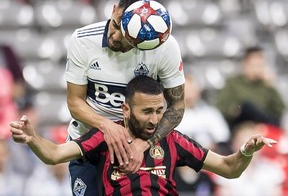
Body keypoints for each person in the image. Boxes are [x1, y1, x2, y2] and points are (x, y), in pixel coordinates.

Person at [11, 76, 276, 196]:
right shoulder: (108, 136)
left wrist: (245, 152)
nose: (154, 119)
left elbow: (229, 169)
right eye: (147, 111)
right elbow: (54, 154)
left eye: (160, 110)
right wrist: (33, 138)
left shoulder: (172, 139)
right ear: (126, 110)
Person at [65, 0, 185, 195]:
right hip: (89, 145)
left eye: (125, 35)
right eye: (114, 24)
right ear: (113, 10)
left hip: (137, 149)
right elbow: (75, 102)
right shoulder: (82, 40)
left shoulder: (164, 48)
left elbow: (177, 106)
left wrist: (145, 144)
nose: (115, 36)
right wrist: (107, 126)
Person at [215, 46, 286, 132]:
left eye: (261, 65)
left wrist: (272, 86)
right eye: (255, 65)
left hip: (264, 126)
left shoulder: (266, 85)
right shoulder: (233, 83)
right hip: (242, 126)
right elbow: (222, 108)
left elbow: (280, 110)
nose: (258, 69)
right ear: (245, 64)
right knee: (247, 107)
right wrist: (234, 110)